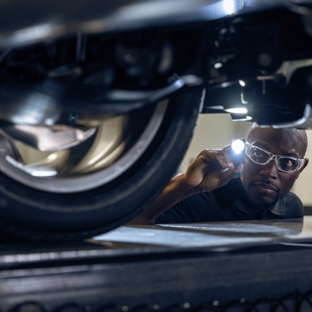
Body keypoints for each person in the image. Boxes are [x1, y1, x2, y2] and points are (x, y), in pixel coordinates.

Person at [130, 123, 309, 225]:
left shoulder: (292, 208)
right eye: (259, 154)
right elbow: (130, 221)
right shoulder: (202, 200)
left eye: (287, 162)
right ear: (245, 151)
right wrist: (185, 185)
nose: (269, 172)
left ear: (300, 168)